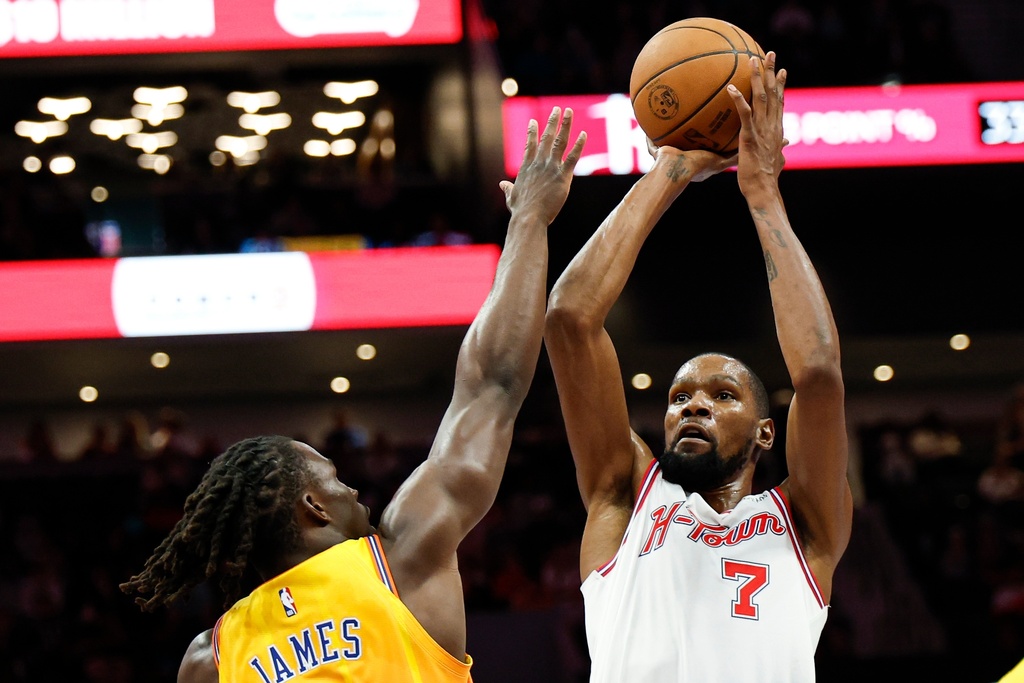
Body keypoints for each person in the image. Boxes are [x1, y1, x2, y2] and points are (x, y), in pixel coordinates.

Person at [119, 107, 587, 682]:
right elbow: (492, 386)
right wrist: (530, 221)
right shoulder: (400, 560)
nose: (355, 490)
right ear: (312, 507)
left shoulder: (210, 658)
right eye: (335, 480)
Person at [543, 52, 852, 681]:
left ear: (769, 433)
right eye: (680, 395)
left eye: (723, 395)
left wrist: (762, 193)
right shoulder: (625, 498)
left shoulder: (805, 525)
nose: (693, 404)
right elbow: (570, 319)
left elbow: (818, 375)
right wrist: (671, 170)